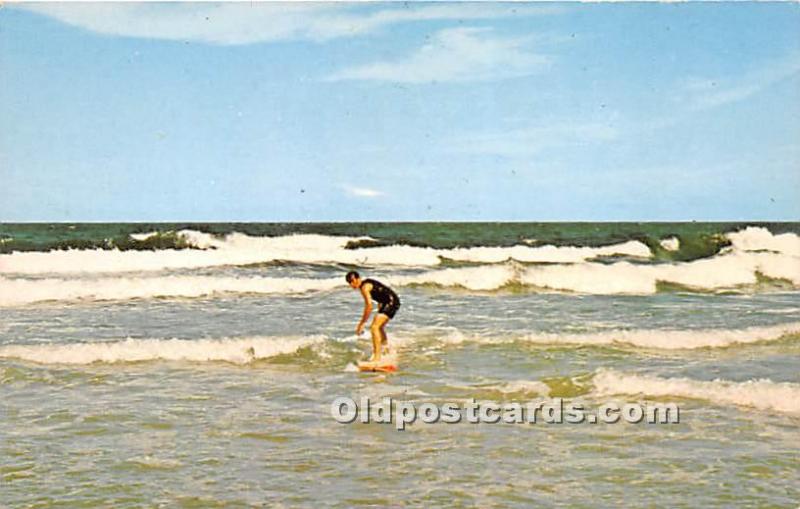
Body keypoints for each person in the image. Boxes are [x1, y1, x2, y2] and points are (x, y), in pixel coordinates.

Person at [346, 271, 400, 362]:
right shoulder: (366, 284)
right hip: (390, 301)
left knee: (374, 327)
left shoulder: (364, 287)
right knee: (379, 327)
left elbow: (369, 306)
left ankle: (377, 357)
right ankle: (386, 349)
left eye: (352, 281)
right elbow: (381, 290)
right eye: (349, 282)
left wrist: (362, 323)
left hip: (390, 302)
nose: (352, 284)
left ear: (358, 278)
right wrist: (380, 303)